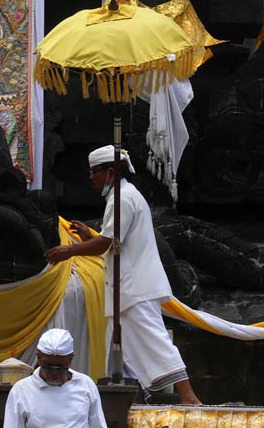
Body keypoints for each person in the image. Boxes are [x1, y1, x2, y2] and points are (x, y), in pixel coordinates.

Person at [44, 145, 201, 405]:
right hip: (125, 290)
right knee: (120, 352)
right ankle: (130, 403)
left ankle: (189, 397)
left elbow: (106, 243)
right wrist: (86, 238)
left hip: (136, 289)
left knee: (155, 342)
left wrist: (69, 250)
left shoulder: (123, 199)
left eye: (95, 171)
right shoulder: (120, 197)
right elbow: (115, 247)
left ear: (111, 172)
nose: (90, 178)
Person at [3, 328, 107, 428]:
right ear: (38, 358)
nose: (54, 373)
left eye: (60, 367)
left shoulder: (86, 385)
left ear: (70, 360)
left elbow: (98, 425)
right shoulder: (21, 390)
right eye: (48, 366)